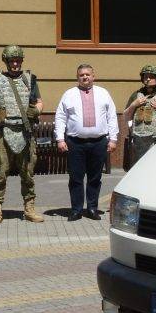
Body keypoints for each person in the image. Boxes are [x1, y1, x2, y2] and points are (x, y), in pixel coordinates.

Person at [0, 45, 44, 225]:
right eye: (12, 61)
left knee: (27, 173)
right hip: (3, 132)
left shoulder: (30, 80)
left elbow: (39, 102)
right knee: (0, 172)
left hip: (25, 132)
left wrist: (36, 111)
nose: (15, 64)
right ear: (6, 61)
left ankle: (29, 209)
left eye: (18, 60)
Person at [54, 64, 118, 221]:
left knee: (95, 178)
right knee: (76, 178)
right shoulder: (69, 94)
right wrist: (60, 139)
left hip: (99, 142)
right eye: (81, 75)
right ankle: (76, 210)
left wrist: (113, 139)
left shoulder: (104, 93)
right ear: (77, 77)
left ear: (93, 76)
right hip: (75, 143)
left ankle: (92, 208)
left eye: (88, 74)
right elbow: (60, 117)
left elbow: (112, 116)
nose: (85, 77)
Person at [124, 64, 156, 167]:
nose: (148, 79)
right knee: (140, 167)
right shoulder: (136, 95)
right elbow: (126, 117)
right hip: (140, 140)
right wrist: (134, 105)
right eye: (145, 77)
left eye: (151, 77)